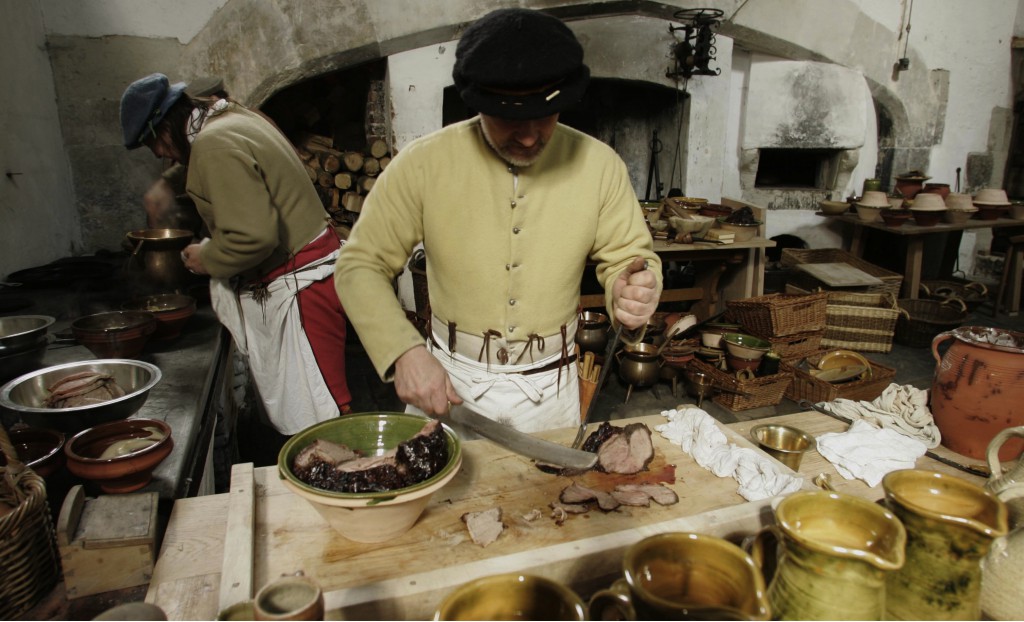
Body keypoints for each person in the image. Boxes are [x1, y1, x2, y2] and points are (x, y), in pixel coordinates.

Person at [334, 8, 662, 433]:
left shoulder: (601, 167)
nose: (528, 136)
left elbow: (631, 258)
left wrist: (632, 289)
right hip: (449, 385)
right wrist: (403, 352)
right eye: (510, 117)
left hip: (551, 391)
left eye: (544, 115)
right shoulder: (423, 163)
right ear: (477, 100)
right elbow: (359, 265)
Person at [119, 73, 353, 439]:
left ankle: (345, 480)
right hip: (315, 270)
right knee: (320, 402)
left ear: (166, 127)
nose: (160, 155)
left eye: (154, 144)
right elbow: (222, 155)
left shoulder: (214, 144)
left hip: (301, 286)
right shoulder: (228, 118)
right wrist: (167, 183)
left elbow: (253, 237)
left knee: (324, 411)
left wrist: (206, 256)